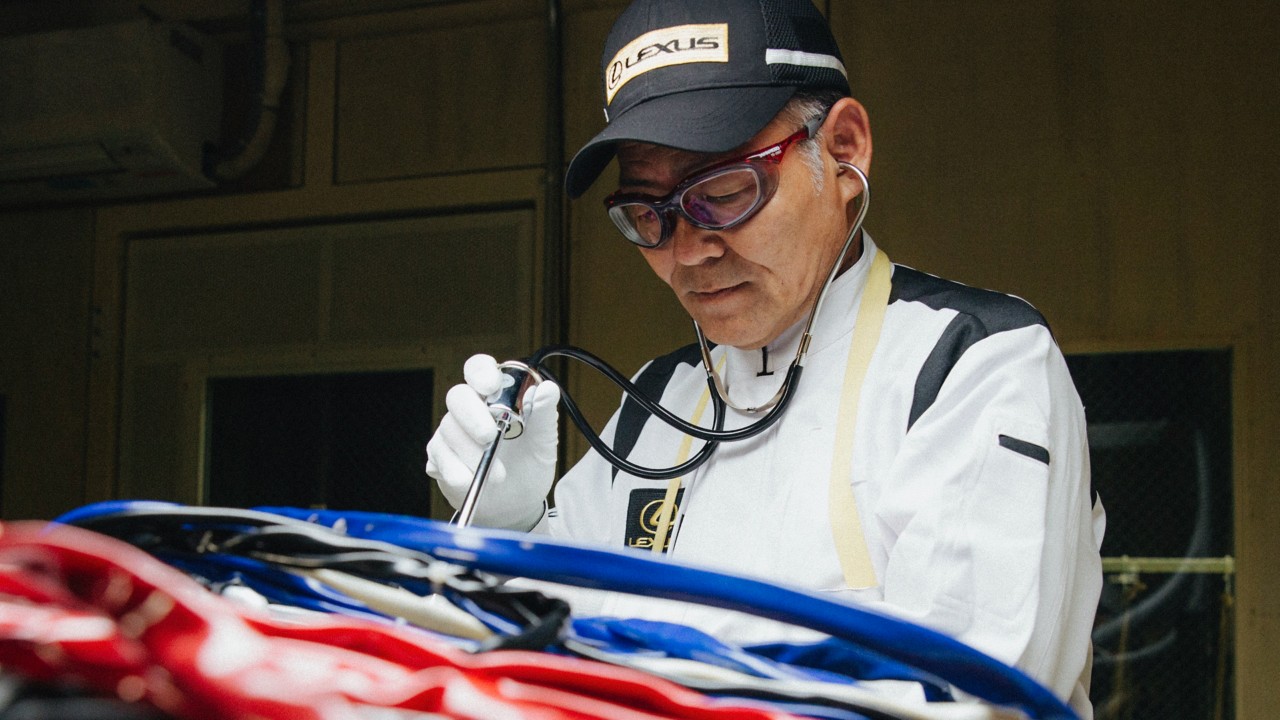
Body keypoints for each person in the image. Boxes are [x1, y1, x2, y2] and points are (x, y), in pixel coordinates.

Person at [426, 0, 1104, 715]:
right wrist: (513, 529)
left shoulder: (971, 364)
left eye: (723, 192)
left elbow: (970, 698)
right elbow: (532, 666)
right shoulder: (656, 406)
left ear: (844, 148)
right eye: (648, 215)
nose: (688, 251)